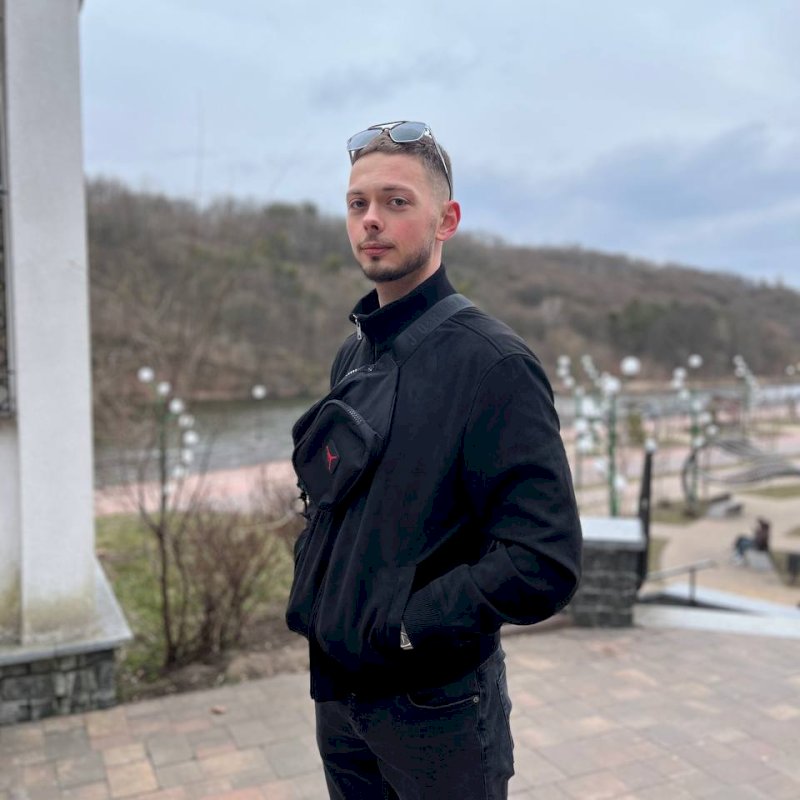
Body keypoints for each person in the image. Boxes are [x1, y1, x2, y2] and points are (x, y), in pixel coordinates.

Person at [286, 120, 582, 799]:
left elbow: (544, 559)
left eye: (396, 202)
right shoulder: (355, 353)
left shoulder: (493, 365)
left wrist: (407, 626)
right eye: (357, 203)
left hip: (436, 712)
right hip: (339, 699)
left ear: (446, 220)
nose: (371, 220)